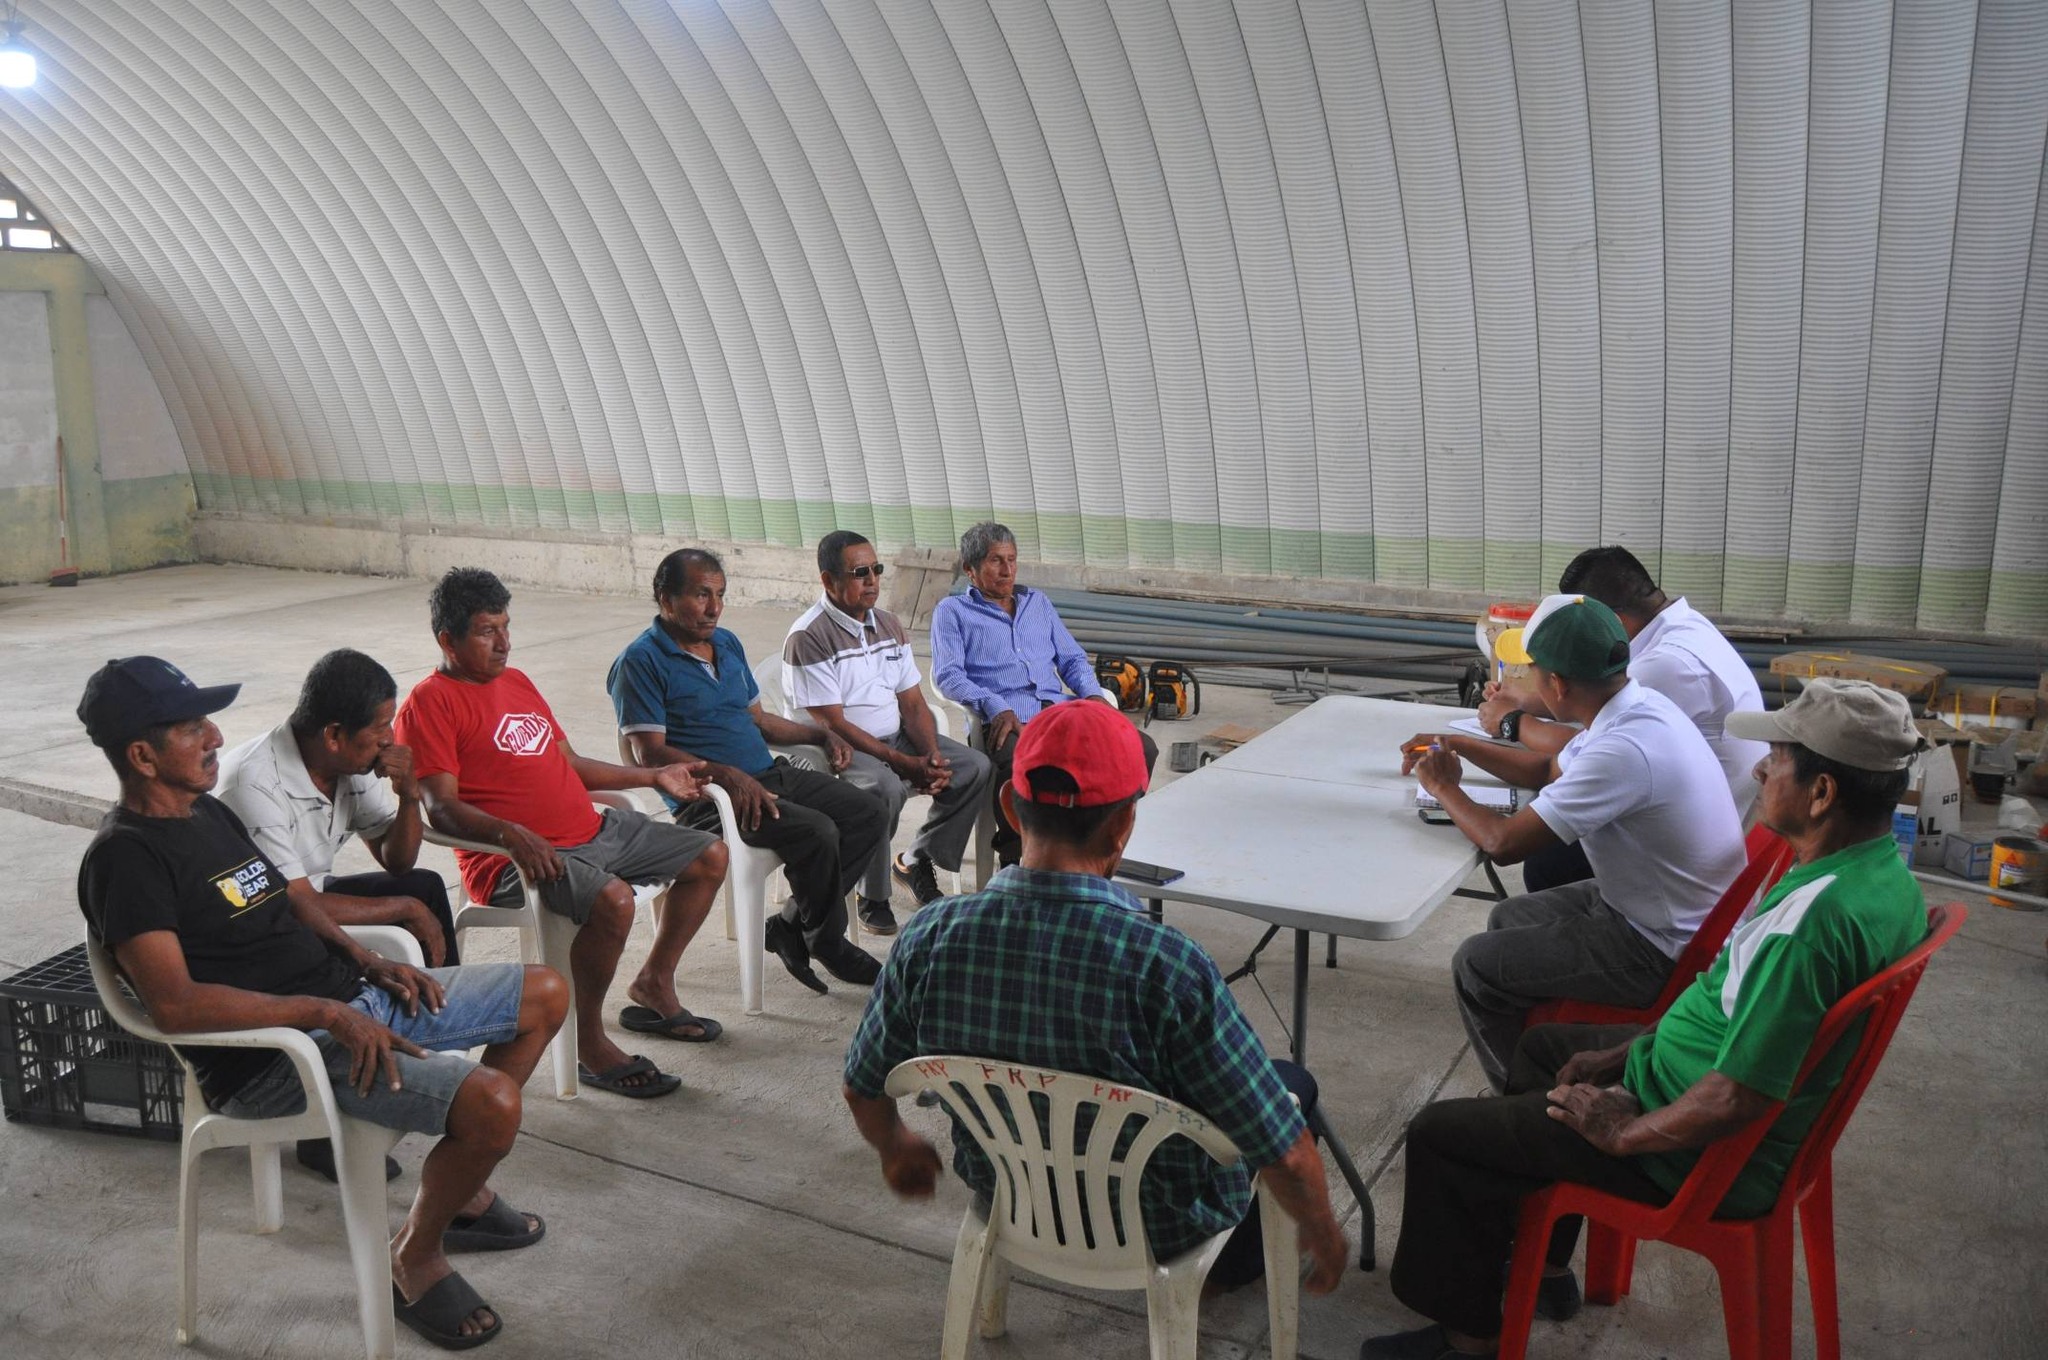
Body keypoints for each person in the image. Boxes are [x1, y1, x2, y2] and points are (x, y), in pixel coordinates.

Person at [1364, 679, 1930, 1359]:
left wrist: (1623, 1133)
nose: (1758, 771)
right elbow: (1731, 1006)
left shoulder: (1810, 928)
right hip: (1693, 1084)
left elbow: (1736, 1097)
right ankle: (1541, 1263)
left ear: (1822, 793)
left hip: (1701, 1153)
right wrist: (1632, 1049)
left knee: (1440, 1134)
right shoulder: (1879, 876)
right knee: (1545, 1049)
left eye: (1778, 760)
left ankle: (1468, 1340)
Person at [74, 656, 570, 1351]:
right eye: (191, 729)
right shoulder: (125, 860)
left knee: (545, 992)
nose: (216, 737)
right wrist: (323, 1012)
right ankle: (415, 1255)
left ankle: (457, 1184)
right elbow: (176, 1007)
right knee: (492, 1104)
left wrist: (367, 960)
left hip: (346, 1002)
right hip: (278, 1061)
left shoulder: (204, 811)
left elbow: (291, 901)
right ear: (141, 756)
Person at [842, 699, 1348, 1298]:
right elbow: (1284, 1155)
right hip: (1158, 1229)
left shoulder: (928, 937)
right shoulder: (1167, 965)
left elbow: (862, 1084)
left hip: (1010, 1201)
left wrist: (895, 1147)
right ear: (1124, 824)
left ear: (1009, 807)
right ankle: (1209, 1281)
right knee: (1292, 1088)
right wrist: (1324, 1231)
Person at [395, 568, 729, 1099]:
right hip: (514, 861)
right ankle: (587, 1043)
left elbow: (569, 763)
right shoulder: (430, 704)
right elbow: (442, 809)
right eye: (487, 632)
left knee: (710, 855)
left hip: (593, 830)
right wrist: (512, 835)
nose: (504, 643)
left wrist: (652, 776)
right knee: (614, 901)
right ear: (448, 640)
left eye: (506, 627)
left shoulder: (516, 682)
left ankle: (654, 982)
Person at [1403, 594, 1746, 1094]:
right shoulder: (1635, 708)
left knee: (1475, 965)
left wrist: (1442, 787)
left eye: (1533, 673)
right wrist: (1456, 745)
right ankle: (1540, 1055)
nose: (1528, 683)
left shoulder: (1624, 749)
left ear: (1558, 685)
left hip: (1665, 945)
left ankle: (1519, 1100)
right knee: (1508, 918)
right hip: (1666, 910)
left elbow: (1502, 843)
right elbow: (1548, 769)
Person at [610, 546, 887, 993]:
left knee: (868, 811)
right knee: (817, 831)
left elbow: (758, 720)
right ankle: (828, 942)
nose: (714, 608)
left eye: (720, 594)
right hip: (708, 799)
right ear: (666, 599)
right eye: (701, 595)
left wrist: (820, 735)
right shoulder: (640, 662)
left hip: (766, 774)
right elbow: (649, 754)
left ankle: (791, 925)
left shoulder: (726, 643)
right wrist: (725, 775)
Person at [1478, 548, 1766, 891]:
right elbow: (1589, 706)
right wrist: (1523, 700)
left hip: (1685, 844)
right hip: (1709, 821)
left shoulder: (1665, 666)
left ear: (1610, 621)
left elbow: (1580, 751)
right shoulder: (1685, 627)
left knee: (1548, 856)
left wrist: (1512, 721)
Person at [784, 530, 991, 936]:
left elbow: (912, 703)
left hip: (893, 739)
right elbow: (833, 723)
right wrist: (902, 763)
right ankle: (872, 895)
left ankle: (915, 860)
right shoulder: (809, 636)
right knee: (885, 789)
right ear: (828, 580)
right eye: (860, 573)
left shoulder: (889, 624)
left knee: (974, 767)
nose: (872, 580)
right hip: (834, 749)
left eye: (876, 570)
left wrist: (929, 755)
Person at [929, 521, 1156, 866]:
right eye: (995, 560)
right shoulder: (953, 612)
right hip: (1007, 719)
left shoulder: (1037, 603)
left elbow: (1072, 659)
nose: (1007, 570)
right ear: (970, 569)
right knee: (1017, 766)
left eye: (1011, 559)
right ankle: (1016, 862)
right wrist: (994, 705)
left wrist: (1093, 697)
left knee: (1139, 747)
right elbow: (948, 675)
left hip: (1059, 712)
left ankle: (1098, 841)